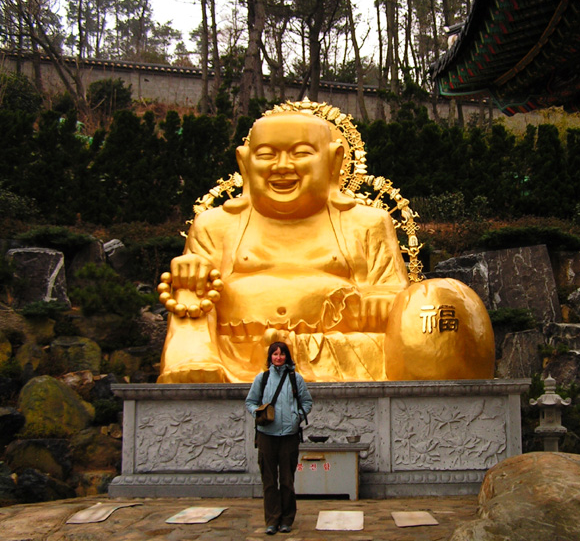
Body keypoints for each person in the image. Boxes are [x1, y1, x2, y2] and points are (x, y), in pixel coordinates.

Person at [157, 101, 495, 384]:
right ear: (244, 163)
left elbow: (397, 301)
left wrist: (369, 303)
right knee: (188, 286)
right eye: (266, 154)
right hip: (238, 352)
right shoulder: (215, 225)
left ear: (334, 161)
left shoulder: (366, 223)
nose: (282, 166)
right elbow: (191, 298)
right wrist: (192, 274)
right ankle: (192, 366)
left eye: (301, 153)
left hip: (347, 350)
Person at [245, 341, 313, 535]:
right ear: (270, 357)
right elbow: (250, 401)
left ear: (287, 356)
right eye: (275, 354)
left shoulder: (295, 378)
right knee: (269, 480)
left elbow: (307, 401)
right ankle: (272, 519)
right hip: (267, 434)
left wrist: (297, 416)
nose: (278, 357)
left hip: (288, 435)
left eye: (282, 354)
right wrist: (258, 413)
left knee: (286, 479)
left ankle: (287, 519)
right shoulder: (262, 378)